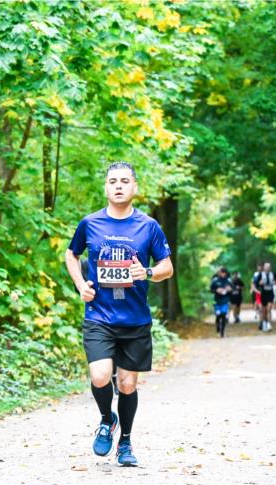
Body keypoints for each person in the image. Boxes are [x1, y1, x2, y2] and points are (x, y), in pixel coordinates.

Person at [65, 161, 173, 467]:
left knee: (127, 385)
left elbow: (167, 267)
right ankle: (105, 419)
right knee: (100, 376)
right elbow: (71, 254)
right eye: (113, 181)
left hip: (135, 319)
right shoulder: (90, 223)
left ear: (135, 187)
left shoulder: (148, 226)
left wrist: (147, 271)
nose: (119, 185)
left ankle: (125, 442)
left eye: (125, 181)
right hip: (99, 315)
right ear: (106, 187)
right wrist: (79, 284)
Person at [210, 267, 233, 337]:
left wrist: (230, 289)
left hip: (225, 300)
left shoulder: (228, 280)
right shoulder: (215, 280)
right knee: (218, 315)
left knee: (223, 315)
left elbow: (233, 288)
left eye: (224, 273)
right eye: (221, 273)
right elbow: (211, 289)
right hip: (217, 301)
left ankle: (222, 332)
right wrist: (216, 290)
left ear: (226, 273)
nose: (222, 274)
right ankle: (218, 327)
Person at [253, 261, 276, 332]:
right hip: (263, 294)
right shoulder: (260, 274)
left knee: (269, 309)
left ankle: (269, 324)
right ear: (264, 268)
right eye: (266, 267)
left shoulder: (273, 274)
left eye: (268, 267)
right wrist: (259, 285)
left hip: (270, 294)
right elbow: (255, 283)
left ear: (270, 268)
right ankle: (264, 323)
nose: (267, 268)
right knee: (263, 311)